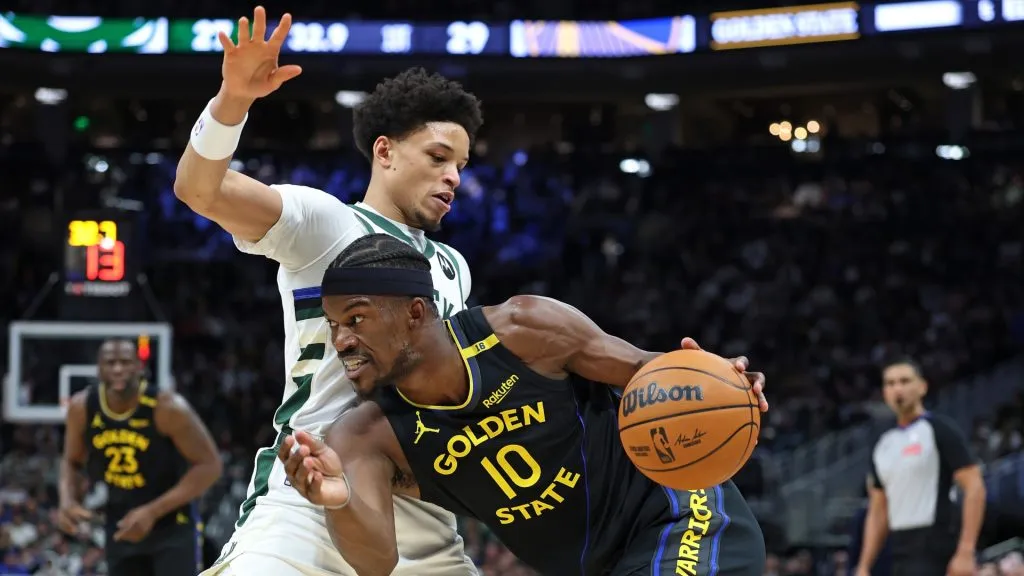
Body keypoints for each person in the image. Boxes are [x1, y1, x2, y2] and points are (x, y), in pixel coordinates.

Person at [174, 6, 484, 574]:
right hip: (307, 502)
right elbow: (200, 190)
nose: (453, 178)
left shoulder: (454, 266)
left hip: (423, 518)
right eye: (438, 158)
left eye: (461, 165)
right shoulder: (328, 223)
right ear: (384, 152)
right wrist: (232, 101)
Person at [277, 234, 768, 576]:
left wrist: (723, 381)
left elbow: (645, 369)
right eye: (334, 325)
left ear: (415, 313)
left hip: (680, 519)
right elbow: (375, 562)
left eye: (356, 319)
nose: (340, 341)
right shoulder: (365, 436)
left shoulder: (522, 331)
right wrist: (335, 500)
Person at [58, 339, 223, 576]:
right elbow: (71, 461)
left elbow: (210, 466)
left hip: (172, 526)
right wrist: (67, 500)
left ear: (139, 367)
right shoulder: (81, 408)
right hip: (121, 524)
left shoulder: (167, 408)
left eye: (125, 362)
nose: (117, 369)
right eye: (110, 363)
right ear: (99, 368)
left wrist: (152, 512)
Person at [855, 358, 986, 576]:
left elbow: (975, 487)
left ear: (922, 387)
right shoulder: (884, 444)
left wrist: (966, 550)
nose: (898, 388)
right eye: (890, 383)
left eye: (905, 381)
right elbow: (878, 510)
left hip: (936, 541)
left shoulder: (940, 430)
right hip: (898, 545)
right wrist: (864, 566)